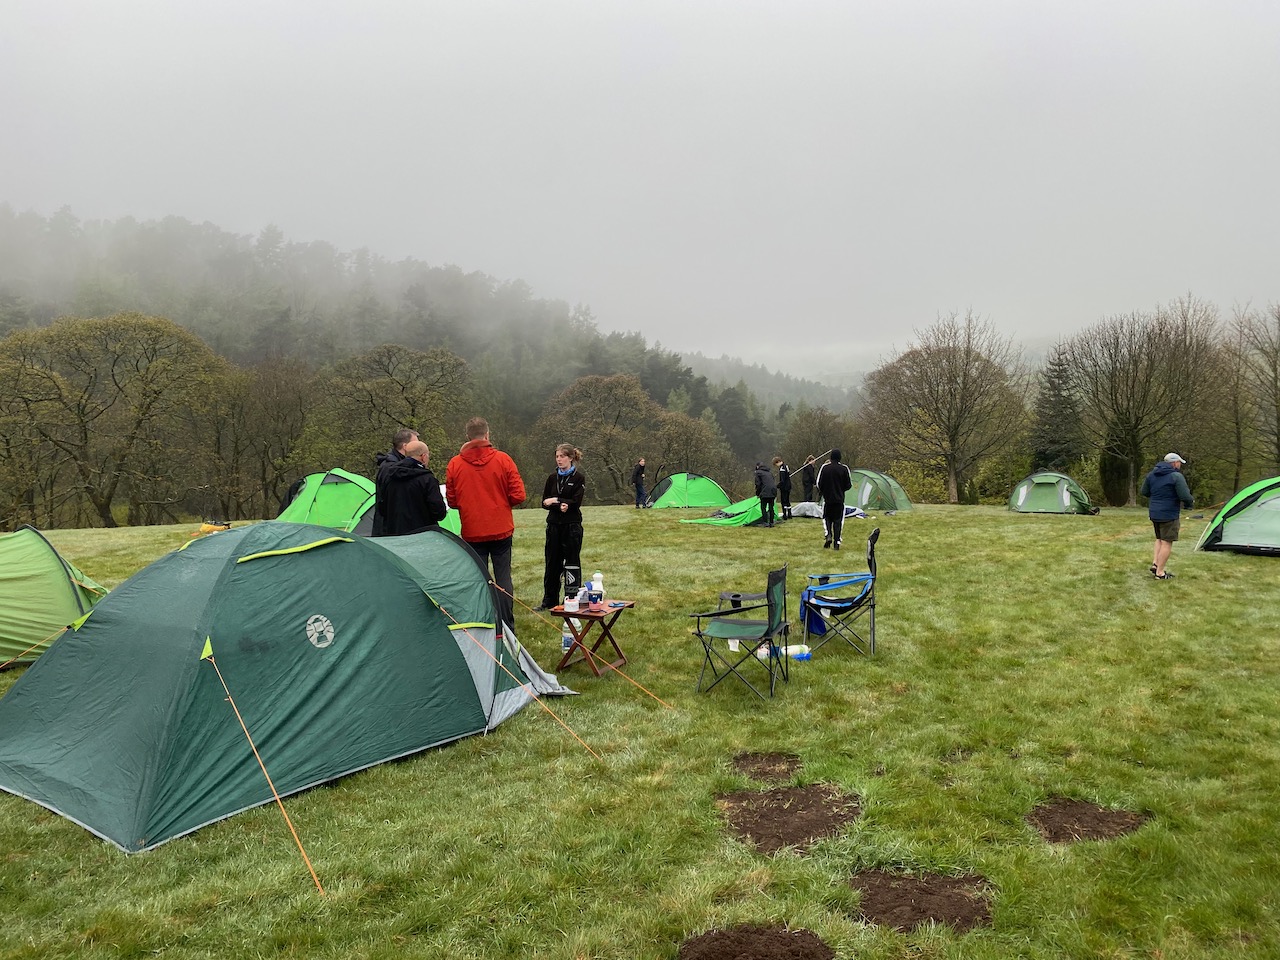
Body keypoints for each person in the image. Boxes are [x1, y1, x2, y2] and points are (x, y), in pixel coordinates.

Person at [445, 417, 526, 634]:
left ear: (468, 436)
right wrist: (500, 502)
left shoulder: (455, 464)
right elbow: (519, 495)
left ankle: (484, 624)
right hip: (501, 528)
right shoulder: (503, 460)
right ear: (487, 434)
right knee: (503, 577)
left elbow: (452, 500)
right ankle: (507, 626)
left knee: (479, 579)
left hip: (472, 530)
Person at [538, 444, 586, 610]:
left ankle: (572, 599)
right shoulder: (552, 478)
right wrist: (559, 504)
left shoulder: (578, 478)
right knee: (552, 563)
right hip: (553, 525)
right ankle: (549, 601)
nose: (559, 460)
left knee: (571, 563)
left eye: (562, 456)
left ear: (570, 458)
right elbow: (544, 502)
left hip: (571, 526)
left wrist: (557, 500)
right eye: (557, 456)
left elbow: (576, 501)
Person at [1140, 452, 1194, 580]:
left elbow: (1144, 492)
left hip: (1154, 512)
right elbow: (1185, 496)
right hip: (1169, 514)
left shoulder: (1151, 475)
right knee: (1167, 542)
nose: (1180, 465)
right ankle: (1160, 573)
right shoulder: (1176, 476)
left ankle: (1155, 563)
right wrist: (1189, 504)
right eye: (1179, 463)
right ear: (1174, 463)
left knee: (1159, 539)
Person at [379, 440, 448, 536]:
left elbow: (382, 508)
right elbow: (438, 511)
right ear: (423, 457)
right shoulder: (427, 479)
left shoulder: (390, 476)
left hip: (395, 533)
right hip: (423, 533)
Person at [372, 427, 418, 536]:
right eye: (415, 444)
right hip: (390, 529)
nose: (418, 447)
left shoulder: (393, 465)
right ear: (405, 446)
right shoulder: (392, 469)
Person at [816, 449, 853, 550]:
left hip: (827, 500)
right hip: (839, 500)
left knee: (827, 519)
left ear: (831, 457)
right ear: (840, 457)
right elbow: (848, 485)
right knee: (838, 521)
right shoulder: (844, 469)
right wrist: (841, 490)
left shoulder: (825, 468)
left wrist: (825, 492)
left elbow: (819, 483)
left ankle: (828, 535)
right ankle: (837, 542)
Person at [754, 461, 778, 528]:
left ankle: (765, 522)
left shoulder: (758, 473)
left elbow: (758, 484)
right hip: (773, 491)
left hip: (764, 491)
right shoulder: (769, 472)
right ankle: (771, 522)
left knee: (763, 507)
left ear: (757, 466)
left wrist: (758, 494)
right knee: (771, 507)